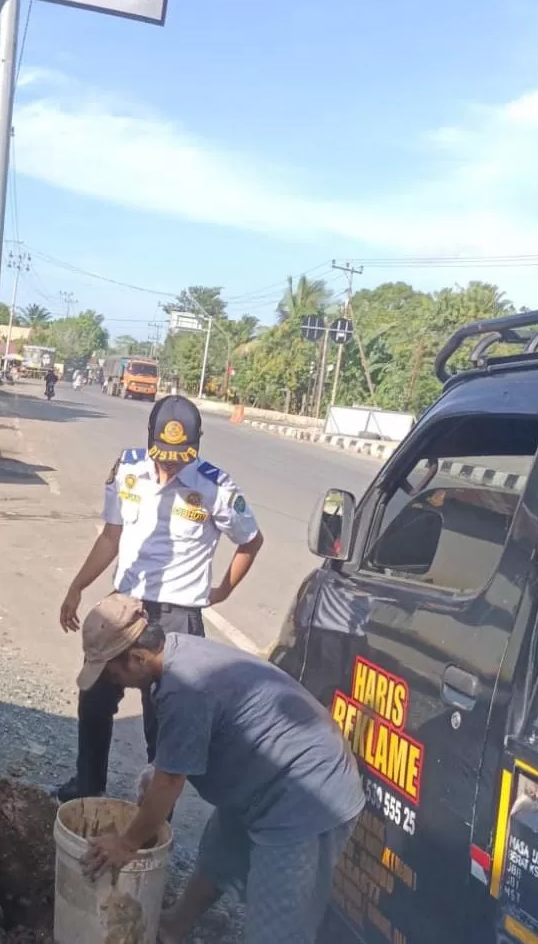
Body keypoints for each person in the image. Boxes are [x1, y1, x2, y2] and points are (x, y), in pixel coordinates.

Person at [75, 594, 364, 944]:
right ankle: (171, 927)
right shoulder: (174, 653)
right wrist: (158, 774)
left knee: (278, 924)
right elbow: (180, 754)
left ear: (137, 657)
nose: (113, 682)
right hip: (263, 780)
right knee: (219, 853)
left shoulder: (184, 686)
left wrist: (127, 842)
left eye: (112, 672)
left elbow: (170, 782)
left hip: (306, 794)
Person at [56, 395, 263, 801]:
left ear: (197, 445)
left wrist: (221, 590)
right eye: (163, 456)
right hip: (124, 608)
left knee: (164, 721)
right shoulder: (128, 468)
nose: (170, 466)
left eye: (180, 458)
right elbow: (111, 536)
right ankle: (87, 786)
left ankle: (153, 812)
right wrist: (77, 585)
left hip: (176, 621)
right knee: (94, 698)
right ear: (150, 440)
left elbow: (251, 541)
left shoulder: (216, 487)